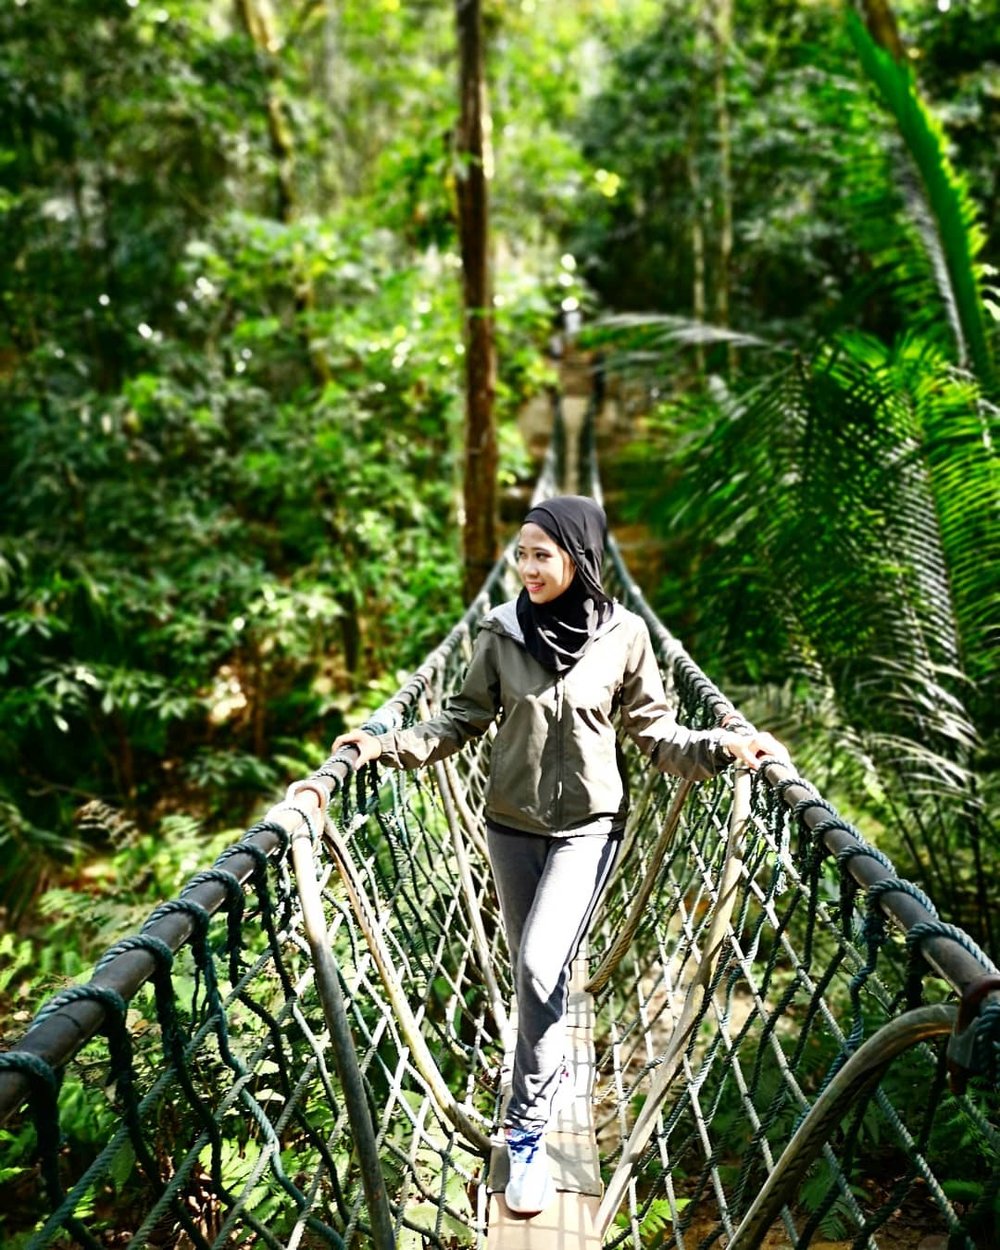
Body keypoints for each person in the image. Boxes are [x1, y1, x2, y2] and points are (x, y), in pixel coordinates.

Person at [331, 495, 788, 1217]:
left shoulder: (626, 635)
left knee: (542, 967)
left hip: (590, 830)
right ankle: (540, 1077)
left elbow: (657, 733)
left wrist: (723, 746)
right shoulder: (501, 632)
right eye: (522, 554)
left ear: (578, 557)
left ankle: (525, 1136)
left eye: (543, 554)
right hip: (509, 827)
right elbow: (460, 718)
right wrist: (385, 745)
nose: (529, 567)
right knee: (531, 982)